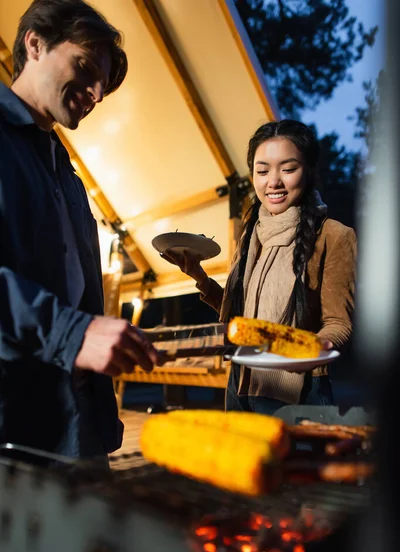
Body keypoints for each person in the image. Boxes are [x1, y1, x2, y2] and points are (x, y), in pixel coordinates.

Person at [0, 0, 159, 460]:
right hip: (14, 430)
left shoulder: (65, 170)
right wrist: (72, 334)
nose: (94, 94)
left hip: (80, 424)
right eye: (85, 68)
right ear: (35, 43)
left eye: (102, 88)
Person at [161, 120, 357, 415]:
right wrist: (199, 276)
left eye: (288, 169)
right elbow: (240, 321)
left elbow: (340, 324)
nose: (273, 182)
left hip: (299, 390)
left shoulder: (335, 236)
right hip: (240, 381)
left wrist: (306, 352)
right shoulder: (251, 232)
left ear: (310, 171)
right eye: (263, 171)